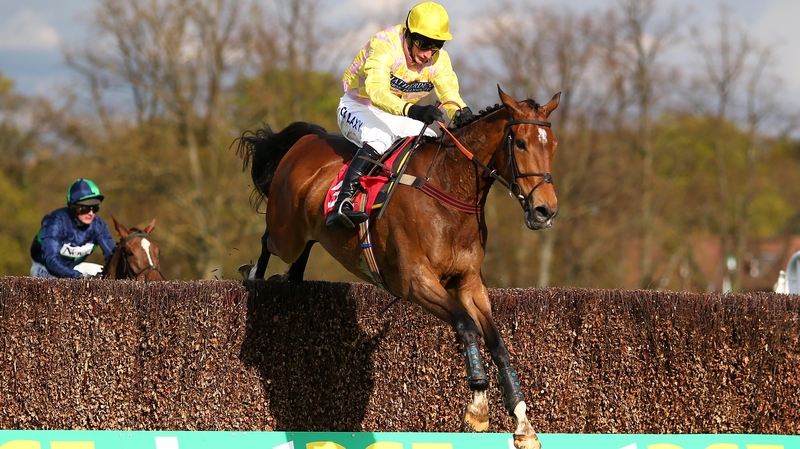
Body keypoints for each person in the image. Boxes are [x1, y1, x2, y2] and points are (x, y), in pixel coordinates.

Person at [327, 1, 475, 232]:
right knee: (379, 139)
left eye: (436, 46)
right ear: (408, 34)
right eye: (423, 44)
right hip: (358, 106)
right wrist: (413, 111)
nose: (428, 54)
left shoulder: (439, 60)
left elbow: (449, 91)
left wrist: (461, 112)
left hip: (393, 113)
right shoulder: (384, 45)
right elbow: (377, 92)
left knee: (430, 136)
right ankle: (342, 203)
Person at [30, 178, 117, 279]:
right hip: (44, 267)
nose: (91, 213)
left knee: (107, 277)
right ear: (73, 207)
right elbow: (51, 260)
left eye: (95, 208)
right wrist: (77, 276)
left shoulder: (98, 226)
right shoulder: (55, 222)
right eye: (85, 208)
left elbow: (113, 257)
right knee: (62, 284)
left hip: (74, 267)